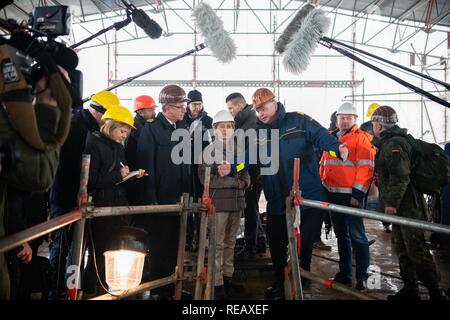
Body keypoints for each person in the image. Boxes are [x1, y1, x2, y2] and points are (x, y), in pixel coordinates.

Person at [220, 88, 349, 299]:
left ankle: (301, 280)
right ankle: (280, 283)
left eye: (264, 108)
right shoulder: (260, 134)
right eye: (257, 110)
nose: (261, 113)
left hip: (307, 198)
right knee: (277, 244)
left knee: (302, 244)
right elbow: (248, 157)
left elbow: (321, 137)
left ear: (274, 103)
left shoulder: (298, 121)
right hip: (277, 200)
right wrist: (232, 166)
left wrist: (338, 148)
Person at [371, 105, 447, 300]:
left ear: (379, 125)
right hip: (400, 203)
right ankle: (410, 288)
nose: (373, 127)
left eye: (374, 123)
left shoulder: (394, 144)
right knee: (402, 247)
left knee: (416, 248)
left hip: (407, 204)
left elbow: (400, 176)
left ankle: (435, 291)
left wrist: (391, 203)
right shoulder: (389, 142)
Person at [48, 90, 119, 298]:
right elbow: (69, 167)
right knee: (63, 247)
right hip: (67, 198)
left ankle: (73, 289)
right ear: (100, 112)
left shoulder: (88, 126)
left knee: (77, 248)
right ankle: (57, 291)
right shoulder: (76, 127)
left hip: (83, 197)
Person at [136, 84, 191, 299]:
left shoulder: (181, 129)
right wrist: (152, 202)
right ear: (167, 108)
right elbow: (146, 167)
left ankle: (172, 287)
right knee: (160, 248)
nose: (183, 110)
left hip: (180, 201)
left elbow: (187, 167)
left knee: (177, 246)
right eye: (179, 106)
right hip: (161, 203)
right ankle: (160, 290)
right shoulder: (151, 130)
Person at [83, 105, 146, 293]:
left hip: (117, 205)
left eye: (126, 132)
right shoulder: (94, 144)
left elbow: (119, 174)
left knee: (112, 251)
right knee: (100, 252)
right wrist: (119, 176)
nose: (124, 135)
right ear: (111, 126)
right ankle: (92, 290)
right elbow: (91, 180)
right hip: (101, 207)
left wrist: (132, 177)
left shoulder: (117, 146)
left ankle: (103, 289)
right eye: (122, 131)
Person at [320, 102, 374, 290]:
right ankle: (345, 273)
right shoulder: (331, 138)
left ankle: (363, 277)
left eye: (348, 118)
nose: (344, 121)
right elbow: (324, 164)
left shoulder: (361, 139)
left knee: (358, 236)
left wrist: (357, 194)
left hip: (350, 197)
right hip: (332, 194)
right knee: (342, 236)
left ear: (355, 120)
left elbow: (366, 168)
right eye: (341, 118)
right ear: (336, 119)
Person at [199, 110, 250, 299]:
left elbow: (246, 176)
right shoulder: (209, 151)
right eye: (222, 127)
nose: (226, 130)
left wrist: (244, 182)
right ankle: (217, 284)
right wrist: (236, 183)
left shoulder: (239, 150)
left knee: (230, 243)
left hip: (236, 205)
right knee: (217, 245)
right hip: (218, 205)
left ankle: (228, 278)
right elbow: (207, 180)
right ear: (215, 129)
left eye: (229, 126)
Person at [226, 92, 267, 258]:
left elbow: (249, 156)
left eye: (230, 108)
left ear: (239, 106)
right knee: (252, 208)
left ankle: (252, 245)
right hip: (252, 172)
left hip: (253, 173)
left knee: (250, 208)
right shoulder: (245, 121)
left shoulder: (250, 123)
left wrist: (235, 167)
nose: (229, 111)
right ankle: (259, 240)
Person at [184, 89, 212, 250]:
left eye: (199, 104)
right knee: (187, 201)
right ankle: (187, 238)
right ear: (188, 105)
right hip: (185, 167)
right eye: (194, 104)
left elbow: (212, 144)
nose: (196, 107)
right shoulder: (182, 121)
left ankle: (201, 237)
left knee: (202, 201)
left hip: (201, 167)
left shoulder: (208, 121)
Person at [124, 95, 157, 205]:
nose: (154, 112)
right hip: (135, 172)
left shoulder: (145, 125)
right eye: (150, 110)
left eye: (154, 109)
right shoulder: (136, 128)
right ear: (140, 112)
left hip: (139, 172)